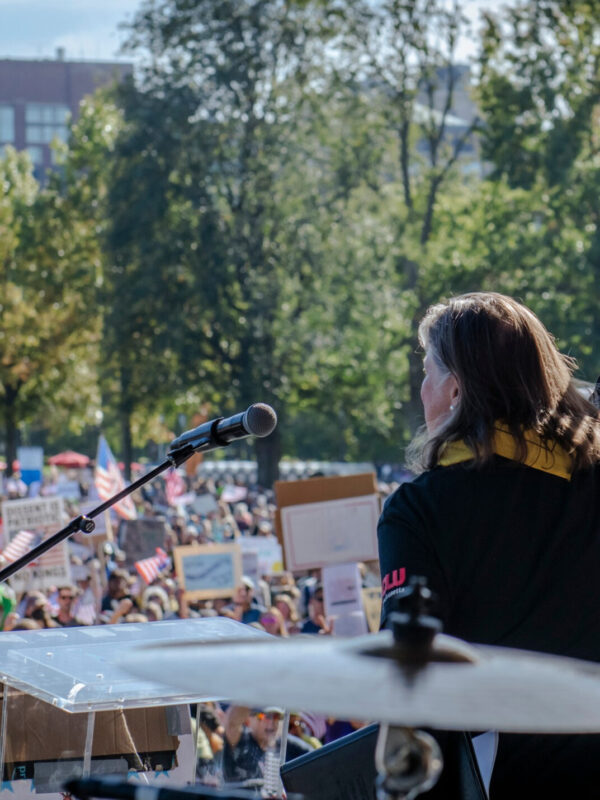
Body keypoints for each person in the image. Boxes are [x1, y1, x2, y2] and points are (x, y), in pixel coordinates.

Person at [377, 292, 600, 797]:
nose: (422, 389)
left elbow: (409, 670)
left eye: (429, 372)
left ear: (455, 391)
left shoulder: (419, 509)